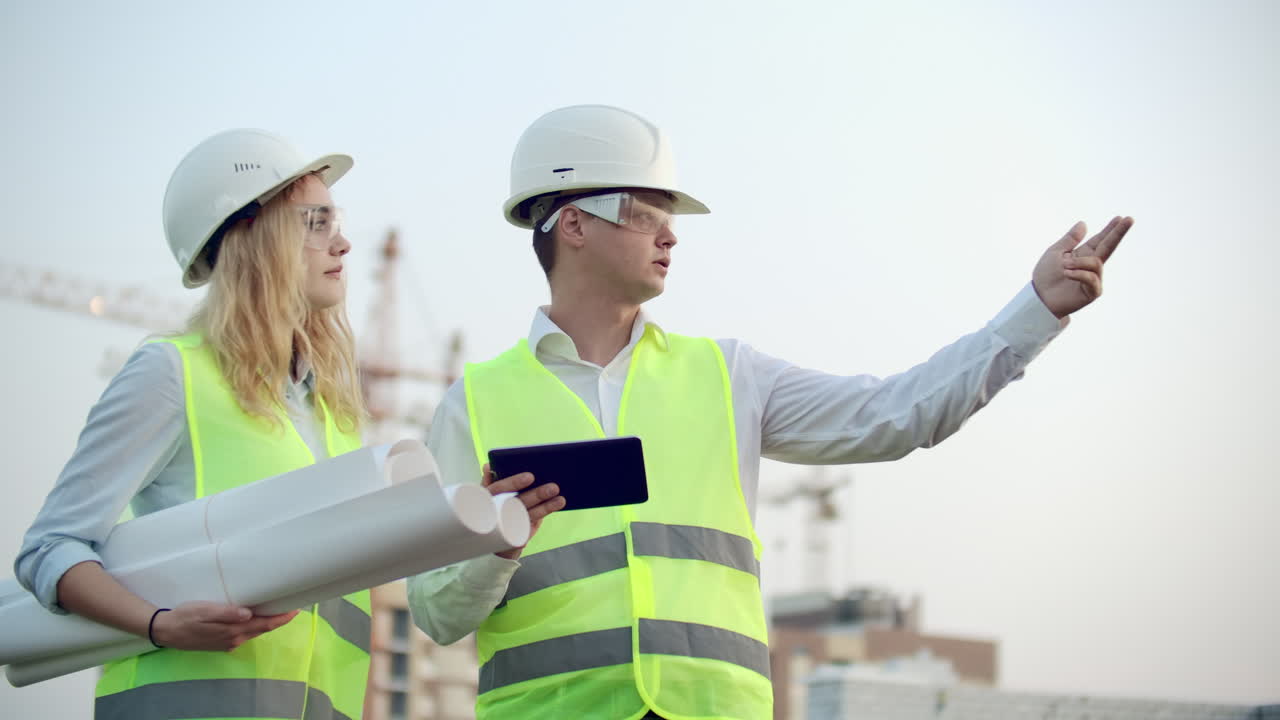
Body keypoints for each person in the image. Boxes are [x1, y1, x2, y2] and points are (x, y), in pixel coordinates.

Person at [407, 104, 1134, 720]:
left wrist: (1034, 314)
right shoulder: (473, 403)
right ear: (572, 224)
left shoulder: (727, 376)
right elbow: (437, 615)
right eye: (646, 214)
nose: (670, 235)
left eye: (671, 217)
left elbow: (895, 413)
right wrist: (499, 547)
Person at [15, 129, 371, 720]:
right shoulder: (170, 374)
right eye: (316, 222)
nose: (343, 243)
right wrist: (159, 625)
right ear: (254, 236)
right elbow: (49, 548)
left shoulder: (332, 413)